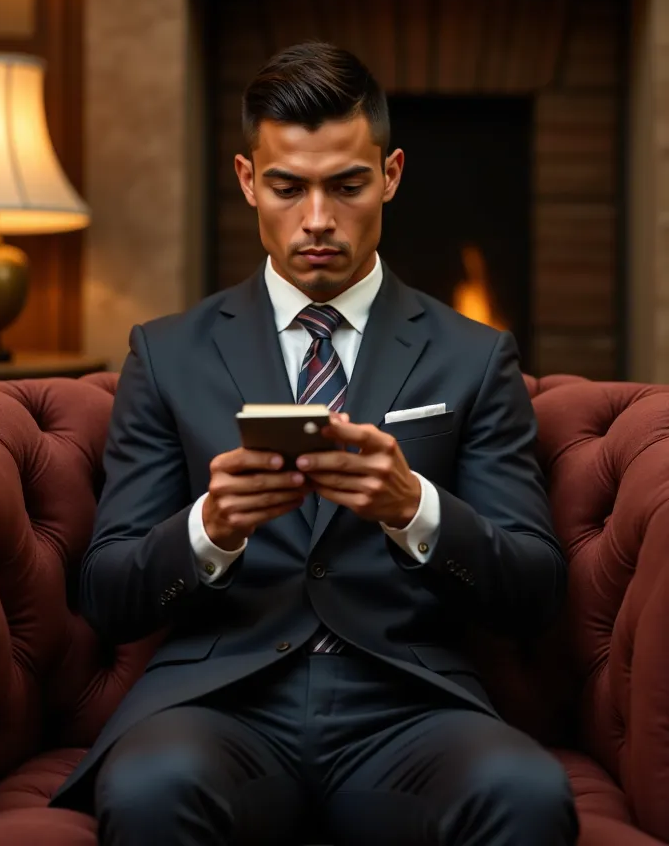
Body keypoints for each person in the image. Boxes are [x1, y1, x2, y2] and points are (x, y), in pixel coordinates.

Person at [52, 42, 578, 845]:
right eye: (288, 187)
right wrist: (211, 528)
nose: (319, 219)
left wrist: (416, 509)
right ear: (247, 180)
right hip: (220, 707)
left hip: (406, 708)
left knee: (526, 793)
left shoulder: (475, 357)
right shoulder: (166, 354)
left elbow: (535, 591)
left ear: (392, 175)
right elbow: (110, 594)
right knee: (153, 786)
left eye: (348, 185)